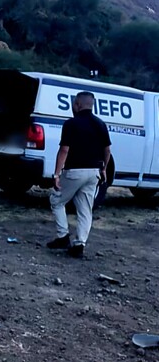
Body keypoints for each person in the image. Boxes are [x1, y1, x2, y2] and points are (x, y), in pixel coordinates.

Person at [47, 91, 111, 258]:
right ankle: (79, 244)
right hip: (94, 172)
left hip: (75, 171)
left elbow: (64, 150)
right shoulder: (100, 124)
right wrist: (104, 168)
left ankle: (62, 236)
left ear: (77, 104)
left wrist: (56, 174)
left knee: (56, 200)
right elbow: (107, 150)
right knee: (84, 209)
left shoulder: (71, 124)